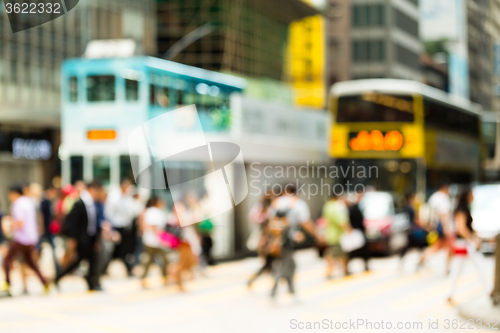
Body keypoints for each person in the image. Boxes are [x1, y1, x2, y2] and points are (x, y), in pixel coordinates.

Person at [55, 181, 104, 291]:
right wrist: (73, 238)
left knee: (92, 260)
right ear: (92, 189)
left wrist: (96, 238)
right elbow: (73, 223)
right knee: (79, 261)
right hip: (82, 238)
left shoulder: (92, 204)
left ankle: (92, 283)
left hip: (90, 238)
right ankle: (59, 277)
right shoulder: (80, 203)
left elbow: (93, 223)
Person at [2, 185, 49, 296]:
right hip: (31, 238)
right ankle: (45, 282)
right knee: (31, 263)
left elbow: (20, 222)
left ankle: (7, 284)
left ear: (14, 193)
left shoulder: (18, 204)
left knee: (7, 259)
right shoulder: (28, 202)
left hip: (21, 238)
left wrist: (9, 224)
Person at [447, 187, 491, 303]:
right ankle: (489, 290)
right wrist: (473, 240)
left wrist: (478, 237)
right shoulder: (461, 210)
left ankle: (450, 294)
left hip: (464, 243)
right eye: (472, 194)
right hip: (464, 244)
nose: (473, 197)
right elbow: (461, 228)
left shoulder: (465, 209)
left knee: (457, 270)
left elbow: (468, 228)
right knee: (480, 266)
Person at [105, 179, 137, 276]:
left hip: (126, 227)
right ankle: (105, 268)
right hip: (116, 227)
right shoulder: (114, 197)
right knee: (114, 250)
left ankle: (127, 268)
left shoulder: (128, 198)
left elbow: (132, 212)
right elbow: (109, 213)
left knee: (125, 250)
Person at [420, 183, 453, 273]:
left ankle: (423, 257)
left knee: (439, 246)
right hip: (443, 227)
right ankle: (447, 268)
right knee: (449, 246)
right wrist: (446, 228)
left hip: (435, 226)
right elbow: (443, 214)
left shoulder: (433, 197)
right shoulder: (443, 198)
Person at [141, 196, 170, 288]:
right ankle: (165, 278)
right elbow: (153, 226)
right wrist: (162, 239)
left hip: (151, 240)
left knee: (149, 260)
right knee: (164, 259)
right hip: (155, 241)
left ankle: (143, 279)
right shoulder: (154, 212)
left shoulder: (150, 211)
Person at [322, 192, 351, 279]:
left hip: (330, 233)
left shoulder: (327, 206)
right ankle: (330, 271)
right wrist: (349, 230)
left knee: (341, 254)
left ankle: (345, 270)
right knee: (335, 254)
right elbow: (342, 222)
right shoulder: (337, 207)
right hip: (338, 235)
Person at [247, 195, 274, 288]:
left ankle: (274, 286)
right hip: (268, 242)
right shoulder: (267, 214)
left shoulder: (262, 212)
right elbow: (266, 231)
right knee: (268, 265)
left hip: (266, 242)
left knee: (268, 265)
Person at [399, 192, 427, 266]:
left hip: (409, 229)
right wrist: (424, 226)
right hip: (412, 230)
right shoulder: (410, 207)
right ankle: (422, 260)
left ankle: (421, 260)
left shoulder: (407, 206)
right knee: (417, 244)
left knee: (414, 245)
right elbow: (415, 219)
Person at [39, 186, 60, 275]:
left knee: (53, 249)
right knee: (38, 249)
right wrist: (41, 227)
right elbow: (41, 215)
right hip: (45, 229)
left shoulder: (51, 201)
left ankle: (57, 268)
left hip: (50, 229)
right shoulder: (44, 202)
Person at [346, 191, 369, 273]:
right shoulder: (354, 208)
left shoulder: (357, 207)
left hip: (358, 231)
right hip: (356, 232)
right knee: (354, 250)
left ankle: (366, 265)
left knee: (362, 249)